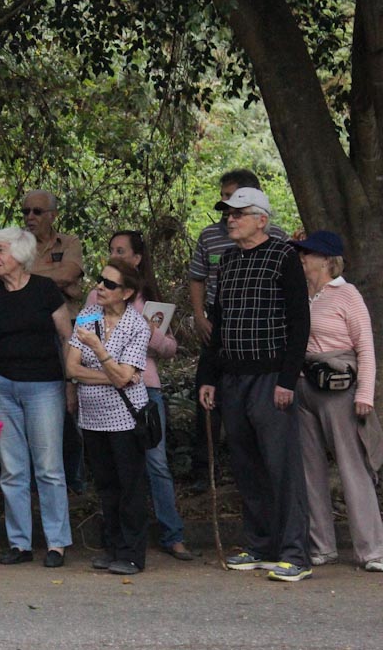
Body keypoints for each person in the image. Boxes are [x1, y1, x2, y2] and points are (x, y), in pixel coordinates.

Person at [197, 186, 312, 582]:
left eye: (238, 213)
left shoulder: (284, 256)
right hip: (232, 376)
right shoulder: (227, 260)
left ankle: (296, 552)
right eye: (228, 213)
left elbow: (300, 323)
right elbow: (219, 323)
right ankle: (261, 545)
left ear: (261, 219)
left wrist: (287, 379)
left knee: (281, 465)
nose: (230, 219)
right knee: (246, 465)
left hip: (270, 377)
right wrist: (209, 376)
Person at [88, 231, 196, 561]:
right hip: (104, 388)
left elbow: (170, 348)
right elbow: (83, 343)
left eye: (121, 251)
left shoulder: (149, 300)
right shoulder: (97, 297)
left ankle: (171, 534)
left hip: (144, 387)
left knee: (156, 462)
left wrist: (149, 334)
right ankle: (118, 539)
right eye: (111, 250)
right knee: (116, 469)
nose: (114, 255)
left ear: (137, 258)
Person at [0, 227, 73, 567]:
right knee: (12, 470)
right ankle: (20, 543)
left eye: (0, 250)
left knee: (48, 468)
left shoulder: (45, 290)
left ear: (20, 254)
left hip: (44, 388)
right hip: (2, 388)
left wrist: (70, 383)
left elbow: (66, 337)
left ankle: (57, 543)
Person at [187, 169, 287, 489]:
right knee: (207, 393)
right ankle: (206, 468)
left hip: (264, 341)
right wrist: (201, 317)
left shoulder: (281, 243)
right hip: (220, 329)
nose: (226, 206)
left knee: (262, 413)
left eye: (232, 198)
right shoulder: (213, 239)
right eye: (223, 198)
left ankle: (269, 477)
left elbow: (295, 305)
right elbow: (198, 278)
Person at [291, 231, 383, 572]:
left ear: (328, 260)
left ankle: (371, 550)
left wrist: (364, 395)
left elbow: (366, 348)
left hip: (339, 388)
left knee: (352, 466)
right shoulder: (302, 294)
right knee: (309, 469)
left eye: (308, 253)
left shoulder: (347, 295)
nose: (302, 258)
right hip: (304, 385)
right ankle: (322, 546)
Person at [67, 258, 151, 575]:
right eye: (101, 280)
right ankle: (112, 547)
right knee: (106, 487)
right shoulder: (88, 317)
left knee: (130, 487)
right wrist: (116, 375)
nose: (100, 287)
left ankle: (132, 553)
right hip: (92, 418)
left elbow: (122, 375)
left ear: (127, 292)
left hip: (126, 419)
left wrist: (99, 350)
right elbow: (72, 368)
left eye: (110, 284)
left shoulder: (137, 326)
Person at [22, 189, 86, 494]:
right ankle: (37, 480)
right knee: (35, 403)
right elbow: (61, 280)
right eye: (26, 212)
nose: (30, 217)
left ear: (52, 215)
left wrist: (27, 279)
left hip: (66, 329)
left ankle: (74, 479)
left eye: (37, 211)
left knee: (70, 400)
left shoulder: (70, 243)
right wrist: (57, 280)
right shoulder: (17, 244)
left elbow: (71, 272)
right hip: (29, 332)